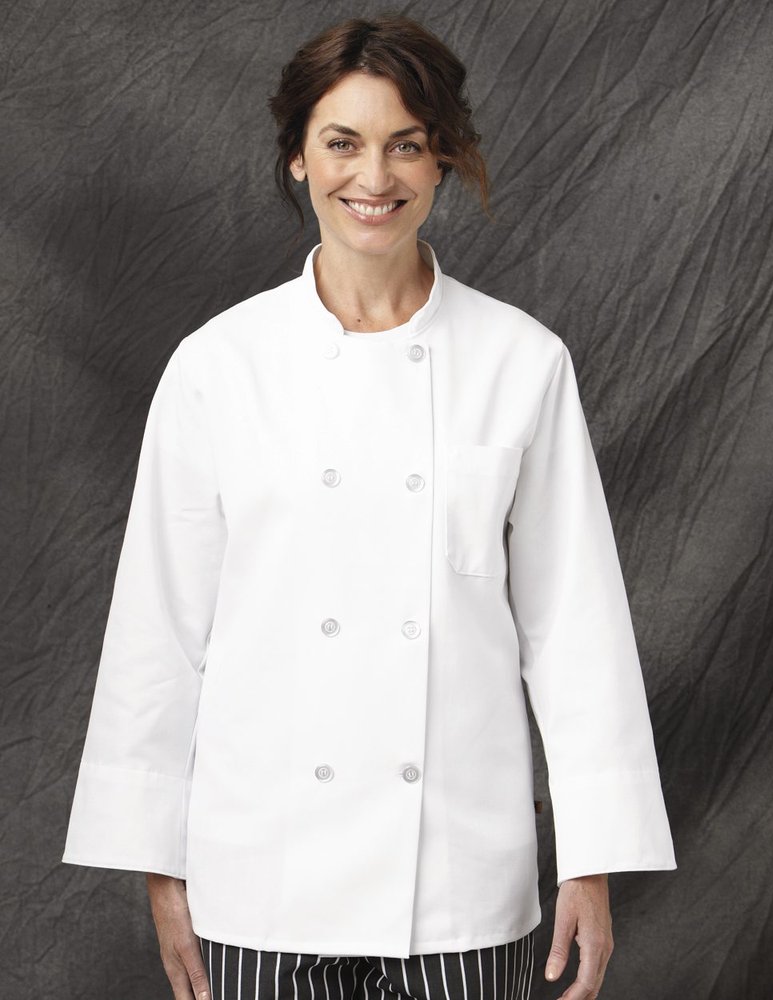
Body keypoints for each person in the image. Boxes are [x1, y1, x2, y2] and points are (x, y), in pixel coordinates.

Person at [62, 13, 676, 1000]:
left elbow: (575, 629)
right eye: (342, 142)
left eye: (406, 145)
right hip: (260, 879)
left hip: (459, 886)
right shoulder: (218, 367)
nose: (373, 177)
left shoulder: (521, 362)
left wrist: (590, 860)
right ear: (298, 158)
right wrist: (158, 865)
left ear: (441, 161)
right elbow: (159, 629)